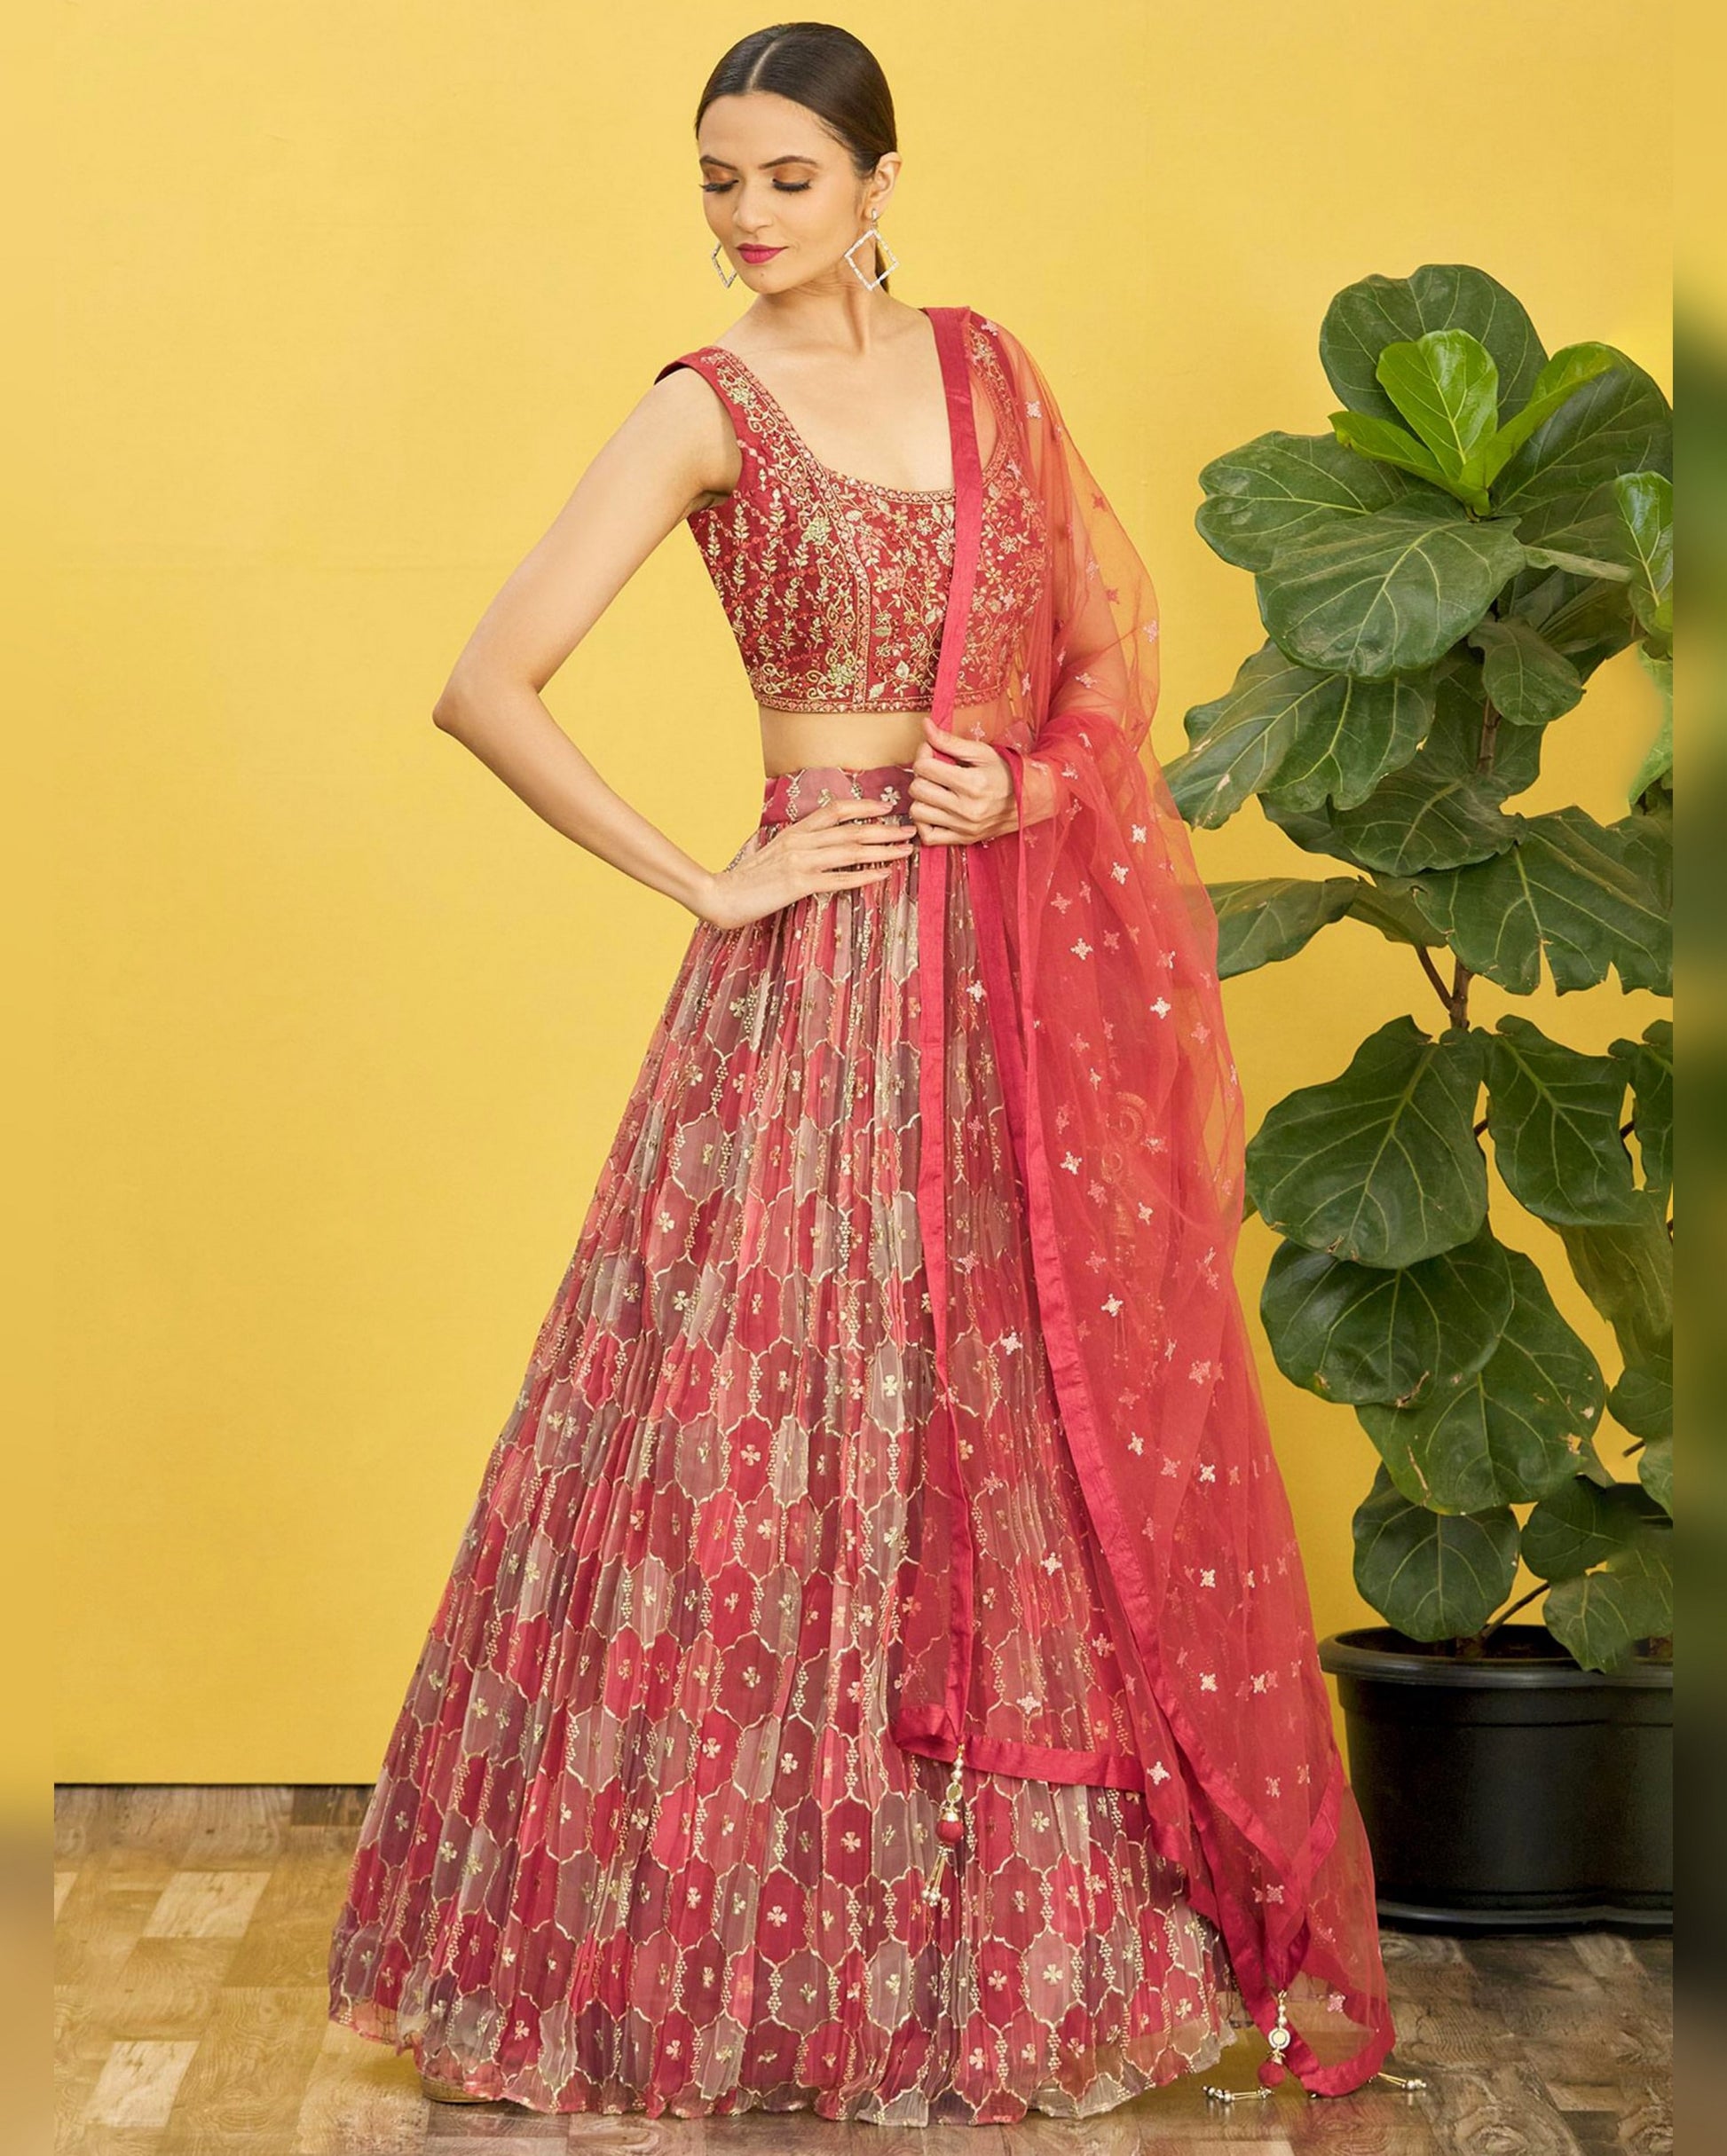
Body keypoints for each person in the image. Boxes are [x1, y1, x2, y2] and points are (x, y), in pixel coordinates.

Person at [327, 21, 1399, 2128]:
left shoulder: (993, 376)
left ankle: (1006, 1958)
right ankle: (693, 1958)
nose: (745, 217)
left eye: (787, 178)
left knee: (999, 1433)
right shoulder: (701, 410)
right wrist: (707, 890)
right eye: (715, 180)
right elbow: (487, 678)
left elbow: (1109, 663)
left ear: (880, 185)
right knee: (748, 1435)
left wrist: (1035, 777)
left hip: (1001, 986)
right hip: (810, 987)